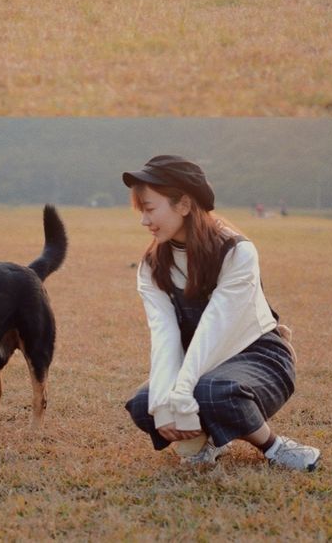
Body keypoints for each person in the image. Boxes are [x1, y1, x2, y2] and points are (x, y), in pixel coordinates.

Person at [122, 154, 320, 471]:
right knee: (145, 405)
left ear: (184, 204)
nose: (144, 221)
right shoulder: (152, 265)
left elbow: (217, 325)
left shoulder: (236, 251)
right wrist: (164, 401)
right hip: (199, 361)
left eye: (149, 209)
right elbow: (165, 335)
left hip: (258, 355)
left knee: (210, 391)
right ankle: (210, 440)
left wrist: (184, 394)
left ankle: (275, 448)